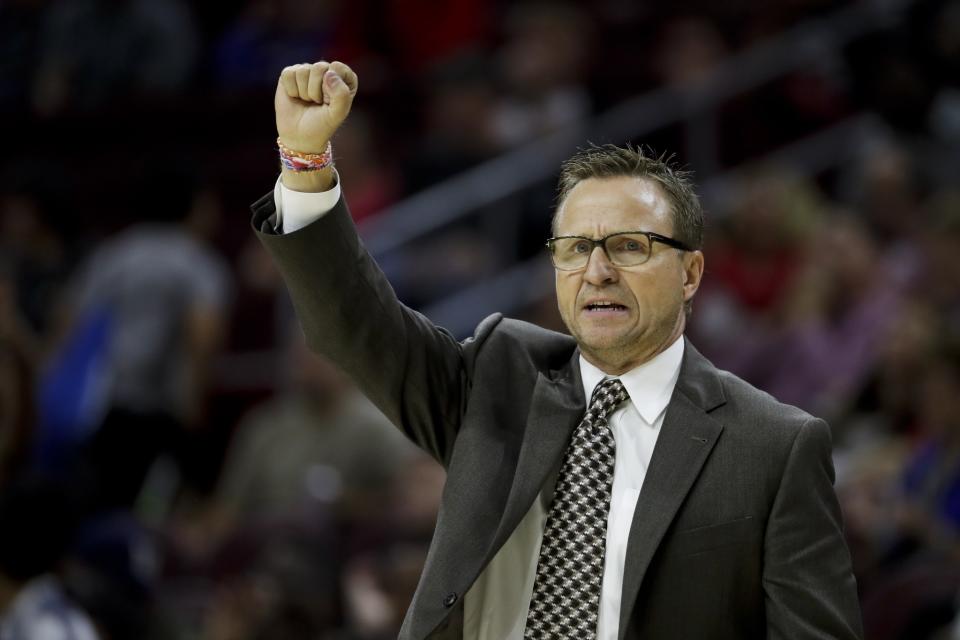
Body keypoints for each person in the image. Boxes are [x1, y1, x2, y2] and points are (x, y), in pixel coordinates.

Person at [251, 61, 863, 640]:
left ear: (691, 273)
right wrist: (305, 162)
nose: (595, 271)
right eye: (574, 248)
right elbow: (355, 326)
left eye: (629, 246)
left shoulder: (773, 446)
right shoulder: (500, 376)